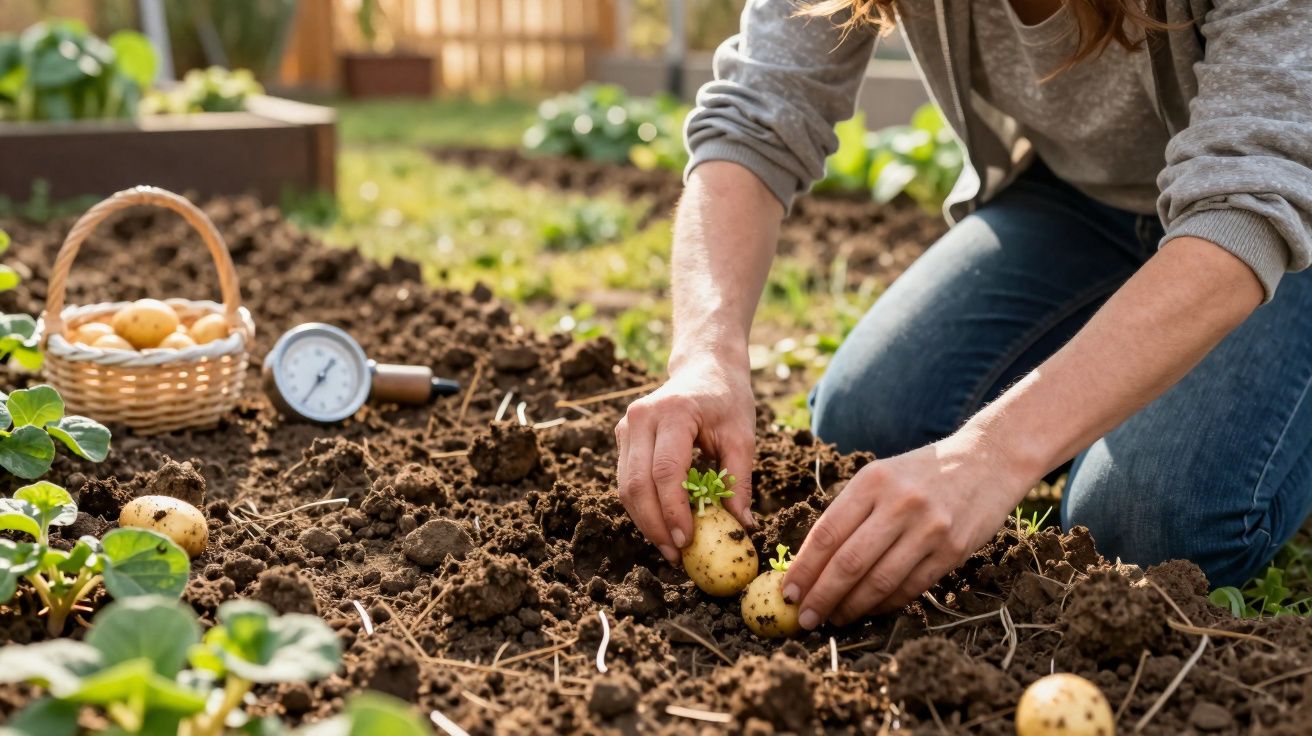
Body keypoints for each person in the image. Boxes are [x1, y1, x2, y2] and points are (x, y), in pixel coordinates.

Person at [613, 0, 1312, 632]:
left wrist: (994, 452)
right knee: (868, 429)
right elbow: (757, 112)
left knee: (1144, 523)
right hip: (1088, 202)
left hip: (1286, 220)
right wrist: (706, 351)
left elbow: (1247, 207)